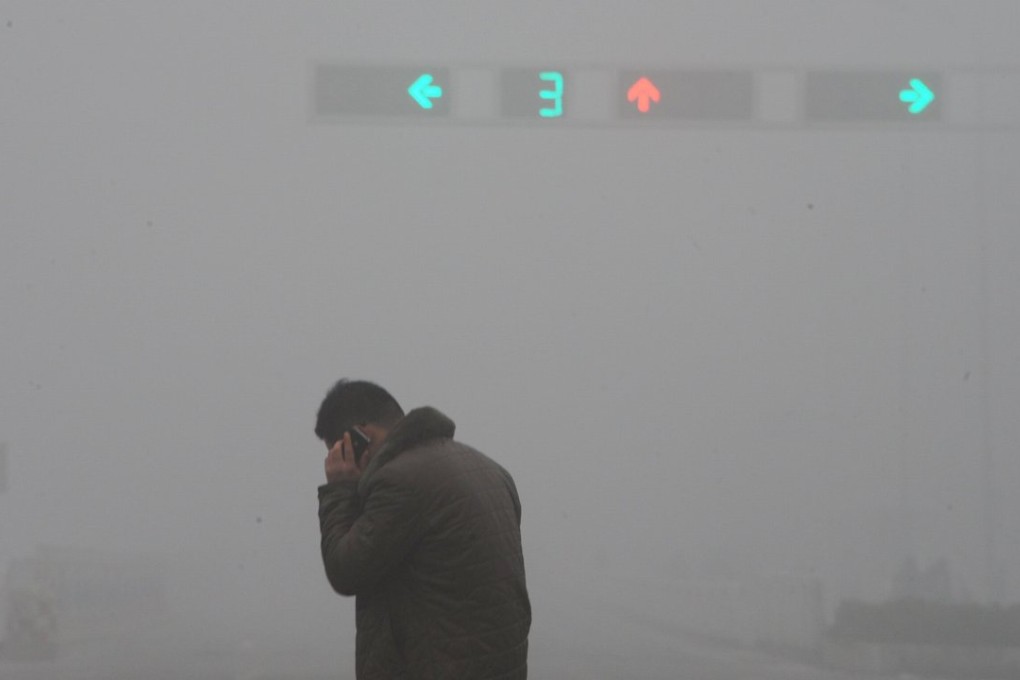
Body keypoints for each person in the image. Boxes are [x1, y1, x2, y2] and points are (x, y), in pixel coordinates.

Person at [315, 379, 531, 679]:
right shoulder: (490, 469)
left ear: (360, 436)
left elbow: (345, 571)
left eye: (341, 451)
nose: (339, 463)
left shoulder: (399, 481)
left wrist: (340, 489)